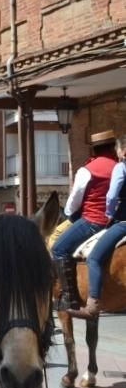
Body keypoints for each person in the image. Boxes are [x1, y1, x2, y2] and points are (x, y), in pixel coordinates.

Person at [53, 130, 120, 315]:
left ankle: (69, 297)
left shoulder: (87, 170)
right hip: (115, 222)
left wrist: (68, 214)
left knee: (58, 248)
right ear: (113, 147)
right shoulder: (118, 166)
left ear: (94, 149)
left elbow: (74, 202)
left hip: (93, 221)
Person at [68, 133, 126, 319]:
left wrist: (109, 213)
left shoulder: (121, 167)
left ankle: (92, 305)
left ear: (123, 151)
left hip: (123, 222)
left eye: (118, 149)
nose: (116, 153)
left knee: (93, 258)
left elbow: (111, 195)